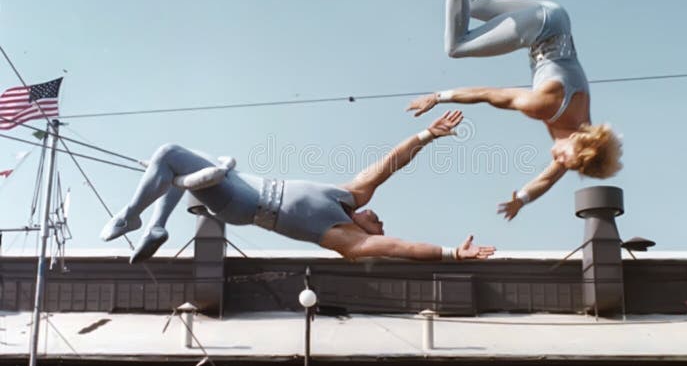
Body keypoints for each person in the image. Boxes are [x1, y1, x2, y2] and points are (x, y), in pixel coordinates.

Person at [408, 0, 622, 221]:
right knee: (457, 47)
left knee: (475, 1)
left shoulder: (576, 136)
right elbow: (492, 95)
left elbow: (547, 178)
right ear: (580, 145)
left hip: (553, 18)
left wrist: (521, 199)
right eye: (568, 160)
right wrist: (438, 97)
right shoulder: (546, 106)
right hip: (542, 28)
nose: (561, 163)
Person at [100, 110, 496, 263]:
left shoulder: (347, 240)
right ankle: (156, 225)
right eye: (379, 221)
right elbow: (391, 162)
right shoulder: (351, 195)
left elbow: (403, 248)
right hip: (242, 179)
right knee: (176, 165)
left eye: (379, 225)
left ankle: (132, 215)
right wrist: (427, 134)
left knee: (169, 154)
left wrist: (453, 254)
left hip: (241, 203)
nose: (381, 221)